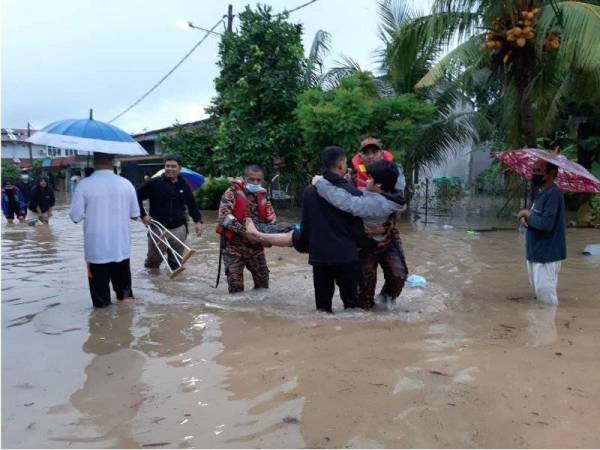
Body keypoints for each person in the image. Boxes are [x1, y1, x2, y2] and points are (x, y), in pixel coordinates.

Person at [253, 147, 366, 312]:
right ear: (341, 165)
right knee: (352, 308)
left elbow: (307, 226)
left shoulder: (309, 192)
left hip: (320, 258)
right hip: (346, 258)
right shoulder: (353, 193)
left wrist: (303, 245)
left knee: (322, 310)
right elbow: (358, 231)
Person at [312, 160, 409, 309]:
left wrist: (320, 183)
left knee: (398, 275)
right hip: (367, 243)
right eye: (366, 152)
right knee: (364, 291)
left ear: (379, 185)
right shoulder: (391, 185)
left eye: (369, 178)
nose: (366, 180)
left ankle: (384, 303)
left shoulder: (378, 203)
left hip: (379, 240)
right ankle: (370, 311)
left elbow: (347, 202)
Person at [69, 152, 140, 308]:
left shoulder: (84, 185)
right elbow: (135, 215)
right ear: (114, 161)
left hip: (96, 253)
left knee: (101, 305)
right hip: (121, 250)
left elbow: (75, 217)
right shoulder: (126, 184)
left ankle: (103, 329)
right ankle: (125, 328)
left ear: (94, 161)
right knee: (126, 299)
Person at [216, 165, 280, 293]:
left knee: (263, 287)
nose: (255, 182)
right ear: (245, 178)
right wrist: (246, 233)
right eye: (252, 179)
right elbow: (224, 218)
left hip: (256, 248)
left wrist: (270, 237)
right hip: (233, 248)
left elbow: (271, 217)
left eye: (258, 180)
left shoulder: (263, 195)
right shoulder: (232, 192)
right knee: (236, 289)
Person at [137, 155, 203, 270]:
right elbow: (136, 196)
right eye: (167, 166)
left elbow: (192, 204)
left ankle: (174, 287)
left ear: (179, 168)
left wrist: (198, 221)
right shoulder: (154, 183)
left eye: (173, 166)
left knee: (176, 263)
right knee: (153, 263)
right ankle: (153, 285)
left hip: (179, 229)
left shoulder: (184, 185)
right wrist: (143, 215)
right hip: (158, 228)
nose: (170, 169)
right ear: (164, 167)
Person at [517, 160, 566, 305]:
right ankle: (540, 326)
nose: (534, 174)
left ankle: (548, 325)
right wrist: (527, 219)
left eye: (538, 170)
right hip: (535, 252)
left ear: (551, 174)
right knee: (539, 296)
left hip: (546, 255)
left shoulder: (553, 194)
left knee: (547, 301)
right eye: (533, 170)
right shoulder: (542, 193)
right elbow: (537, 219)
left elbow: (546, 225)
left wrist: (527, 213)